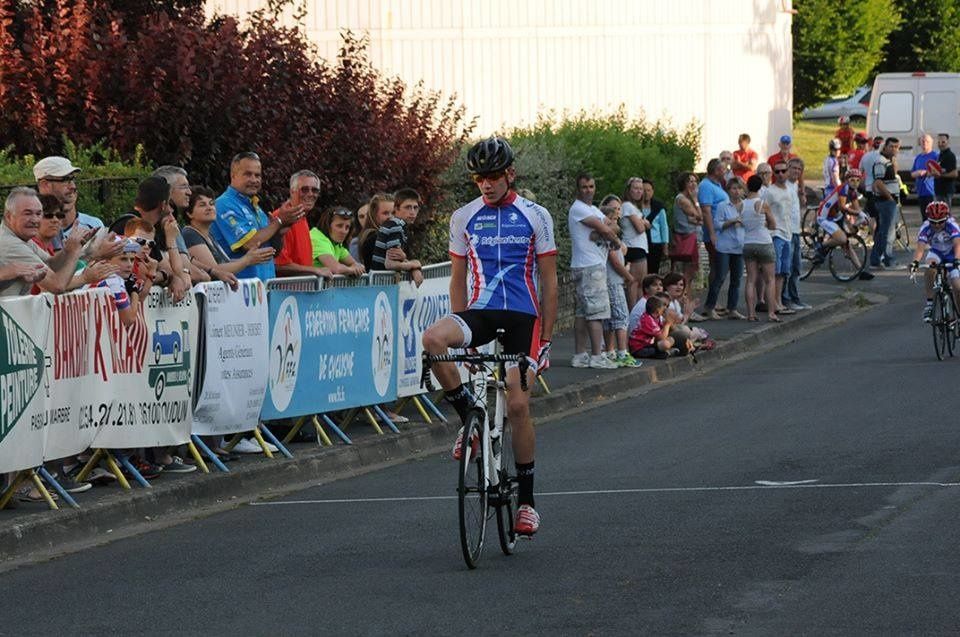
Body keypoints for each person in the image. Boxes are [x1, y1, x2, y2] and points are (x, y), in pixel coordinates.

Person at [421, 136, 558, 536]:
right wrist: (460, 335)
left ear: (510, 174)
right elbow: (457, 282)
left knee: (517, 405)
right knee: (432, 340)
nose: (486, 183)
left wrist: (546, 339)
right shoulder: (463, 217)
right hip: (479, 312)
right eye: (480, 177)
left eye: (494, 176)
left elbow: (549, 283)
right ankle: (471, 421)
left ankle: (528, 503)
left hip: (523, 319)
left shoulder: (536, 215)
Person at [211, 151, 304, 281]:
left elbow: (273, 252)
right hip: (238, 290)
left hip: (263, 290)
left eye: (258, 175)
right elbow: (250, 243)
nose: (254, 180)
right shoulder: (224, 204)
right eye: (248, 174)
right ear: (233, 175)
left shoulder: (256, 208)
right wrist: (279, 221)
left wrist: (279, 232)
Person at [109, 177, 192, 301]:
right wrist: (163, 276)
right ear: (163, 205)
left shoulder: (149, 229)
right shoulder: (131, 226)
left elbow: (170, 271)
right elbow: (139, 275)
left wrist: (169, 276)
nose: (171, 209)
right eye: (169, 202)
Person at [568, 173, 621, 369]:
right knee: (597, 313)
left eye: (591, 186)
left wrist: (604, 231)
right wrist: (616, 242)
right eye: (584, 187)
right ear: (578, 189)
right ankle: (597, 356)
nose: (588, 190)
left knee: (583, 313)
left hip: (589, 264)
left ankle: (581, 354)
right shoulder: (579, 209)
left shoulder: (591, 209)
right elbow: (607, 230)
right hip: (590, 266)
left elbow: (613, 225)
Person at [0, 187, 92, 297]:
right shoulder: (10, 244)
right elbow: (57, 285)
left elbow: (50, 264)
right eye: (27, 213)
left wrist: (68, 249)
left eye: (39, 214)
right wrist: (74, 252)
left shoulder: (20, 236)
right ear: (9, 216)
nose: (34, 220)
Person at [182, 186, 277, 286]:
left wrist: (252, 258)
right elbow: (215, 270)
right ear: (189, 213)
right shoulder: (190, 234)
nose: (209, 208)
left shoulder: (209, 235)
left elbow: (224, 263)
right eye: (202, 205)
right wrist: (246, 260)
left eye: (212, 204)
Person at [273, 170, 333, 280]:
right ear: (292, 191)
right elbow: (278, 264)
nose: (310, 194)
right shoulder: (281, 218)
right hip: (286, 295)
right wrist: (315, 270)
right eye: (304, 189)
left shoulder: (302, 217)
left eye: (315, 190)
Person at [33, 156, 104, 246]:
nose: (73, 186)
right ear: (45, 184)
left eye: (72, 179)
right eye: (65, 180)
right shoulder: (30, 231)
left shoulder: (93, 226)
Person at [600, 203, 639, 367]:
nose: (617, 222)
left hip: (612, 280)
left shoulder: (612, 239)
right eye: (614, 219)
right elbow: (615, 261)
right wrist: (629, 276)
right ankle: (622, 352)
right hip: (614, 282)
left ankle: (610, 351)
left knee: (609, 319)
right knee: (621, 316)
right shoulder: (609, 239)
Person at [703, 177, 746, 320]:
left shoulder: (746, 205)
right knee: (719, 277)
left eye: (739, 188)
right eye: (733, 188)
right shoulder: (723, 205)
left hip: (740, 247)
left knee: (737, 279)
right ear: (728, 190)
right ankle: (710, 307)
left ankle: (732, 308)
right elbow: (717, 225)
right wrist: (732, 221)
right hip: (725, 247)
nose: (736, 191)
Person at [911, 201, 960, 322]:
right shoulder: (925, 227)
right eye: (933, 222)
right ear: (929, 220)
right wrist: (915, 262)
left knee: (957, 287)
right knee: (930, 267)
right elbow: (920, 248)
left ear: (946, 218)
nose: (937, 225)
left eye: (941, 222)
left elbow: (957, 245)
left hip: (952, 253)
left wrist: (957, 260)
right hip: (937, 252)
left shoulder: (952, 225)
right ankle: (929, 303)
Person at [742, 175, 780, 322]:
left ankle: (751, 314)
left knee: (750, 279)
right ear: (760, 187)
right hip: (763, 242)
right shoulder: (762, 204)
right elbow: (773, 225)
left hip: (748, 243)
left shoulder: (742, 204)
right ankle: (771, 312)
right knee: (770, 279)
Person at [762, 160, 795, 315]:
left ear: (787, 172)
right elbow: (763, 210)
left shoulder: (790, 189)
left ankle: (779, 301)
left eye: (783, 171)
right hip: (775, 234)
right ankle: (773, 303)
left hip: (788, 233)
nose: (780, 174)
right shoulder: (770, 191)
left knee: (783, 271)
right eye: (777, 172)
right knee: (774, 271)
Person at [371, 188, 423, 285]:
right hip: (381, 284)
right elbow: (390, 264)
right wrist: (414, 265)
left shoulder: (395, 225)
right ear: (396, 209)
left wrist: (413, 265)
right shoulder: (395, 227)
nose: (412, 212)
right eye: (407, 207)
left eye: (415, 208)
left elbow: (397, 258)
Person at [698, 158, 729, 313]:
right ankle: (710, 303)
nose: (726, 171)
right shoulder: (706, 186)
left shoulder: (717, 185)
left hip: (723, 233)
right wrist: (711, 233)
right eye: (724, 169)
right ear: (716, 171)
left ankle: (714, 300)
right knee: (718, 267)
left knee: (718, 267)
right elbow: (706, 211)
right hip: (715, 233)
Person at [869, 137, 905, 270]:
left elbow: (890, 177)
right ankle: (888, 260)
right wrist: (890, 198)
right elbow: (878, 183)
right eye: (892, 146)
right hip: (886, 202)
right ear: (885, 147)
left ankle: (875, 260)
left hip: (888, 201)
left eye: (897, 147)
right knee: (888, 233)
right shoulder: (880, 161)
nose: (895, 149)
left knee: (882, 232)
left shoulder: (888, 161)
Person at [670, 172, 703, 294]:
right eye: (690, 181)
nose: (693, 184)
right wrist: (695, 201)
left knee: (690, 277)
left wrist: (696, 219)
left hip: (692, 239)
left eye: (695, 181)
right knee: (686, 276)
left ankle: (686, 303)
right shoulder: (683, 199)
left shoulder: (685, 199)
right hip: (687, 240)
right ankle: (683, 304)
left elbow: (698, 219)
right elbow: (699, 215)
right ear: (683, 183)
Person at [620, 177, 650, 308]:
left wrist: (643, 222)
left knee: (641, 283)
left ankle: (639, 312)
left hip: (640, 247)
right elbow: (641, 228)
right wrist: (643, 222)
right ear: (629, 190)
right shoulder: (627, 206)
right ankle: (633, 313)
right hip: (633, 247)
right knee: (634, 283)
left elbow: (647, 225)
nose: (639, 192)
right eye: (636, 188)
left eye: (641, 189)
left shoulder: (635, 208)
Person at [311, 206, 366, 276]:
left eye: (347, 227)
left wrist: (354, 267)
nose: (344, 231)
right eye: (339, 226)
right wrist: (352, 269)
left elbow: (358, 265)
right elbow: (335, 268)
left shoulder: (335, 242)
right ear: (327, 225)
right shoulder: (317, 238)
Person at [358, 193, 394, 270]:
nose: (391, 217)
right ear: (374, 214)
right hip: (378, 281)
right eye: (385, 213)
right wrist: (412, 265)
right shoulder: (374, 237)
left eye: (393, 213)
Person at [641, 180, 669, 276]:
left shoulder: (659, 207)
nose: (646, 193)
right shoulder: (635, 207)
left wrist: (665, 247)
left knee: (653, 273)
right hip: (640, 244)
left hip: (655, 244)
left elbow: (664, 227)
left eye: (648, 190)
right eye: (643, 190)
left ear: (652, 191)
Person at [911, 134, 939, 220]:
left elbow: (938, 172)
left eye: (927, 141)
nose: (924, 143)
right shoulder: (918, 157)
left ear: (931, 143)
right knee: (925, 219)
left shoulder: (936, 156)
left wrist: (925, 172)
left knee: (934, 218)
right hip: (921, 193)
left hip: (932, 192)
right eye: (922, 141)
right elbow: (912, 174)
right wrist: (918, 173)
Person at [932, 133, 958, 208]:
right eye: (939, 142)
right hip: (939, 190)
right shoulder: (940, 155)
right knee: (939, 216)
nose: (940, 144)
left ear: (948, 142)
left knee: (945, 215)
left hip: (946, 191)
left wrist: (940, 175)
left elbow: (955, 174)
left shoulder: (950, 155)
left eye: (943, 142)